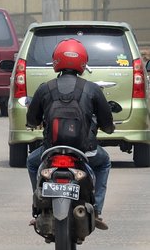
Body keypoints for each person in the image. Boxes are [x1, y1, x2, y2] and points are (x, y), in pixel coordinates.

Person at [26, 38, 115, 230]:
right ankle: (97, 209)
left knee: (33, 163)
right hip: (85, 150)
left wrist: (34, 123)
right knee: (104, 162)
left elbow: (32, 120)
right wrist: (108, 128)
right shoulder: (92, 88)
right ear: (83, 61)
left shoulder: (45, 88)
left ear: (56, 60)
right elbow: (107, 123)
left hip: (52, 149)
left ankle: (38, 208)